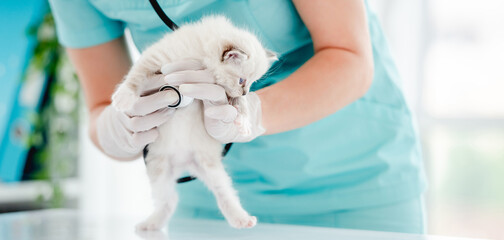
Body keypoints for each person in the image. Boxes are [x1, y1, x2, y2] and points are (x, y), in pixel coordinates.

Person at [49, 0, 427, 234]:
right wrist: (118, 129)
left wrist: (250, 113)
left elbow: (349, 57)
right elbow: (102, 103)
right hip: (209, 202)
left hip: (353, 184)